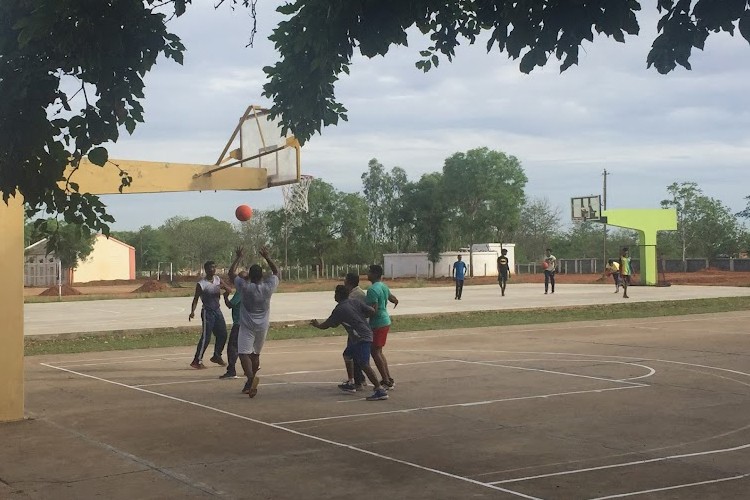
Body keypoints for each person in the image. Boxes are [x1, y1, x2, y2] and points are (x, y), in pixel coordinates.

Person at [310, 285, 389, 401]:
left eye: (335, 293)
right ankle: (351, 382)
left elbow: (327, 324)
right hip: (359, 336)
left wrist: (317, 325)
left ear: (338, 295)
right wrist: (363, 315)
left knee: (364, 364)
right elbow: (371, 311)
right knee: (347, 354)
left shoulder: (339, 309)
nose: (334, 296)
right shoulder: (355, 302)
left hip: (361, 337)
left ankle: (379, 389)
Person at [229, 246, 280, 398]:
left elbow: (231, 275)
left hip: (247, 325)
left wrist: (238, 257)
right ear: (262, 275)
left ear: (249, 275)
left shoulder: (245, 287)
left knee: (243, 353)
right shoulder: (268, 287)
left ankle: (251, 380)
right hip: (262, 325)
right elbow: (277, 273)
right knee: (255, 354)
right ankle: (249, 383)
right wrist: (267, 257)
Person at [188, 260, 230, 369]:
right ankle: (197, 360)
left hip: (217, 310)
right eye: (210, 268)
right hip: (208, 312)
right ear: (206, 270)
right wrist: (192, 311)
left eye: (214, 267)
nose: (212, 269)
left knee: (223, 334)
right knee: (206, 337)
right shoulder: (202, 284)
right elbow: (196, 299)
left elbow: (229, 289)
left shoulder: (217, 280)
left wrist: (224, 288)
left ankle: (217, 355)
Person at [366, 264, 398, 390]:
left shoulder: (372, 289)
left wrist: (361, 314)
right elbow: (391, 297)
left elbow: (373, 309)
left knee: (375, 352)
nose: (367, 273)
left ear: (374, 274)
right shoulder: (383, 286)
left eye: (369, 272)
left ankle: (386, 380)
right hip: (385, 321)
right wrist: (395, 301)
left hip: (378, 323)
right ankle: (388, 378)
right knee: (378, 351)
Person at [220, 271, 248, 379]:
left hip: (239, 324)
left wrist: (225, 297)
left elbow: (230, 305)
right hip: (247, 323)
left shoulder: (240, 292)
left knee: (232, 347)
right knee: (244, 348)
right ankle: (249, 369)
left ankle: (231, 370)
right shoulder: (250, 290)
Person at [344, 272, 367, 390]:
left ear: (349, 282)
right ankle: (360, 379)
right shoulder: (358, 293)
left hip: (357, 330)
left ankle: (356, 382)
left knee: (352, 355)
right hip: (358, 329)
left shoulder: (354, 296)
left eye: (345, 280)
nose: (344, 282)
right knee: (355, 355)